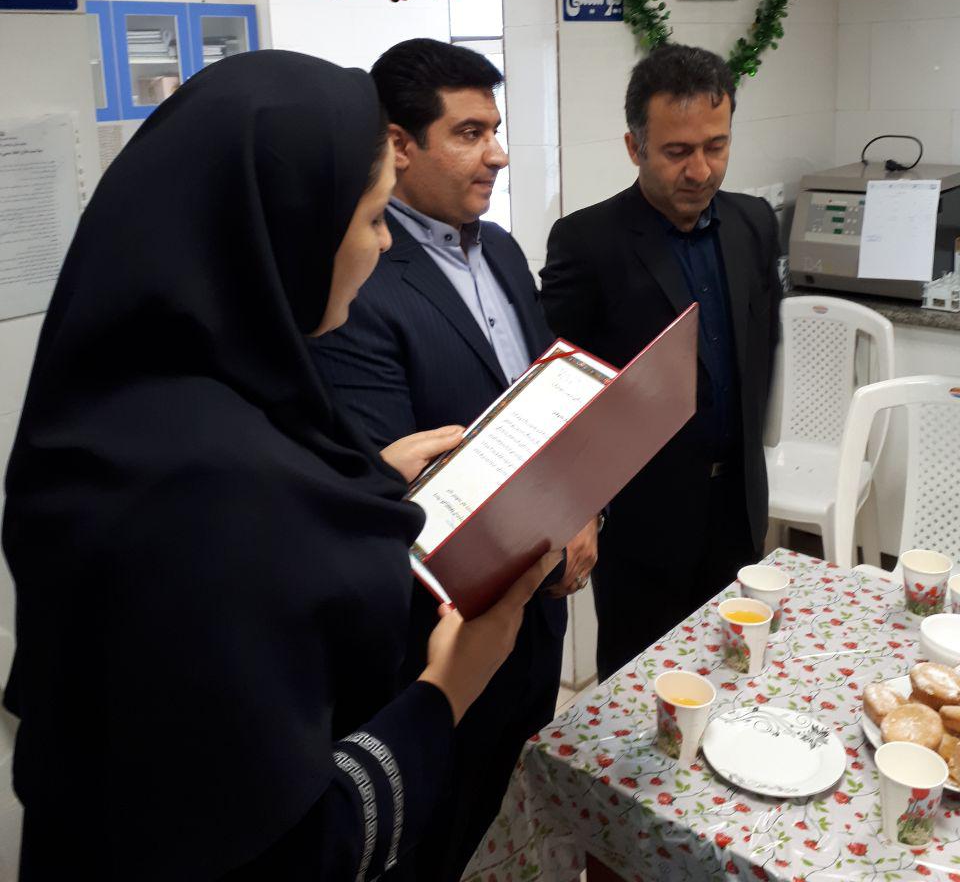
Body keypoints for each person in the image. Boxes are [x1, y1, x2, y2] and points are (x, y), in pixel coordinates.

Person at [2, 50, 555, 881]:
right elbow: (292, 847)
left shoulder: (127, 403)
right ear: (284, 230)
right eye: (372, 218)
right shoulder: (211, 491)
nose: (382, 246)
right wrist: (451, 684)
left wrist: (363, 480)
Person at [309, 38, 599, 882]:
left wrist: (585, 504)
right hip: (442, 629)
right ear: (400, 145)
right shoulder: (360, 278)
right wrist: (545, 531)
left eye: (495, 130)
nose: (497, 154)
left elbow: (551, 399)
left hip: (537, 605)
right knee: (441, 831)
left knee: (513, 804)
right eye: (470, 133)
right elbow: (403, 486)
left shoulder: (501, 249)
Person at [540, 44, 781, 682]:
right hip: (643, 520)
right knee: (637, 691)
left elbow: (761, 348)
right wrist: (577, 505)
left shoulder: (754, 223)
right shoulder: (587, 242)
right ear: (635, 147)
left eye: (716, 146)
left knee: (734, 673)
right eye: (677, 152)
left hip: (737, 506)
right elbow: (558, 388)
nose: (700, 170)